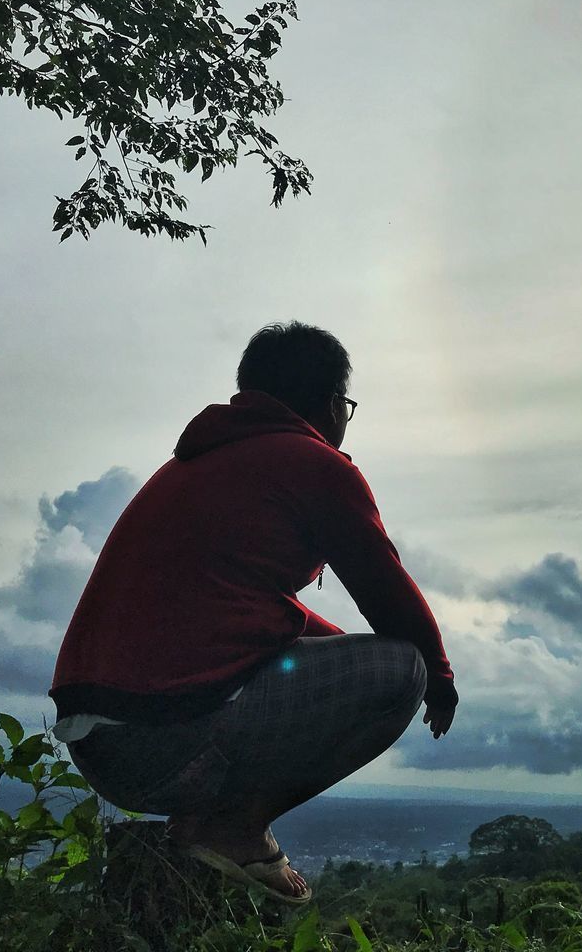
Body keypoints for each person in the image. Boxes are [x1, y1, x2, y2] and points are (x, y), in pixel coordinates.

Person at [48, 321, 458, 904]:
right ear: (330, 403)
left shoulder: (195, 464)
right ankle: (232, 825)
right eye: (347, 404)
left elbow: (260, 610)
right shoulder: (313, 464)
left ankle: (213, 829)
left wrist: (335, 654)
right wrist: (438, 679)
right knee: (403, 669)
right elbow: (385, 591)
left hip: (102, 747)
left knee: (369, 660)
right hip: (166, 739)